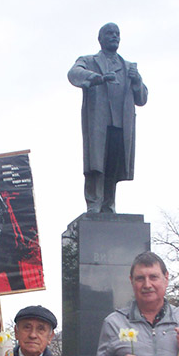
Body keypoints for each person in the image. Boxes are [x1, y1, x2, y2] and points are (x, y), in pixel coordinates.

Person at [68, 22, 148, 213]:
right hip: (99, 122)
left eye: (117, 33)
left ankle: (109, 205)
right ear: (100, 38)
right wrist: (98, 78)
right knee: (96, 165)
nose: (114, 36)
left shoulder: (128, 67)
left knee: (114, 164)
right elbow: (73, 74)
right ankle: (94, 203)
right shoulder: (89, 61)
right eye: (109, 33)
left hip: (122, 123)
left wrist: (137, 80)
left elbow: (142, 99)